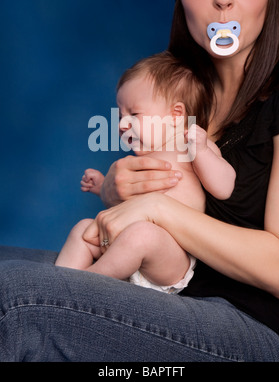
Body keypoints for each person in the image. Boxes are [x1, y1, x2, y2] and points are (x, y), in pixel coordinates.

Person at [0, 0, 279, 362]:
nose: (224, 0)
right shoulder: (183, 86)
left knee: (14, 299)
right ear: (182, 0)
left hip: (253, 325)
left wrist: (155, 207)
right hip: (165, 288)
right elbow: (147, 176)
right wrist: (117, 184)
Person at [55, 52, 236, 294]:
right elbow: (128, 199)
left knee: (142, 235)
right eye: (120, 116)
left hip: (169, 254)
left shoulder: (189, 145)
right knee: (83, 229)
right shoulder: (144, 158)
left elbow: (224, 188)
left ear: (176, 115)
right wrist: (102, 187)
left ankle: (82, 285)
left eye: (134, 114)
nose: (121, 124)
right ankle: (56, 284)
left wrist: (202, 151)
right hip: (121, 243)